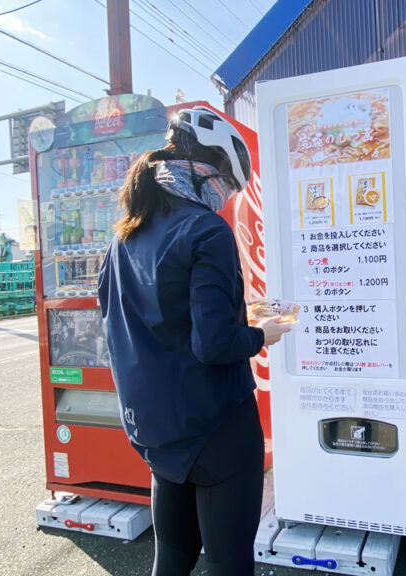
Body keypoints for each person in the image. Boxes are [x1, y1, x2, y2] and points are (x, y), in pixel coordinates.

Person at [98, 105, 290, 576]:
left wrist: (228, 318)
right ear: (203, 172)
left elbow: (132, 320)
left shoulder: (123, 237)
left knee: (173, 556)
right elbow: (215, 345)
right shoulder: (207, 229)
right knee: (227, 562)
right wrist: (261, 333)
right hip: (217, 426)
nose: (226, 198)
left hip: (154, 430)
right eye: (227, 184)